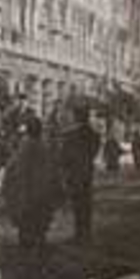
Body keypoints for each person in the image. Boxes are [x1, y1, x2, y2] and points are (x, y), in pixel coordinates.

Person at [3, 117, 63, 256]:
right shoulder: (45, 148)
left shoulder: (24, 148)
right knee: (40, 227)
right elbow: (54, 172)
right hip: (43, 195)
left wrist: (10, 191)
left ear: (27, 131)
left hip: (27, 195)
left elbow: (14, 171)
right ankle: (39, 251)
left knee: (26, 229)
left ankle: (27, 257)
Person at [59, 103, 101, 244]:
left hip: (74, 172)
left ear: (76, 117)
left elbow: (64, 155)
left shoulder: (70, 135)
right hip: (87, 171)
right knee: (86, 201)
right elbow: (94, 151)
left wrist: (64, 168)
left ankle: (79, 234)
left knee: (77, 203)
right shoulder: (94, 134)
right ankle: (86, 232)